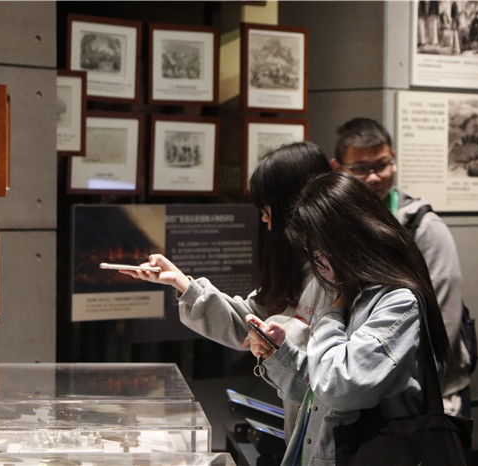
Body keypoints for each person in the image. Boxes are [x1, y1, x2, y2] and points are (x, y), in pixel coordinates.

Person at [121, 141, 334, 441]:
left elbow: (324, 367)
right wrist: (181, 283)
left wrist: (279, 335)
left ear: (291, 204)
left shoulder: (334, 272)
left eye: (267, 207)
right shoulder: (297, 265)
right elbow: (249, 320)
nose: (264, 218)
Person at [246, 172, 450, 465]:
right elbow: (317, 393)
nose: (320, 268)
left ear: (349, 242)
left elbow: (339, 386)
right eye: (313, 257)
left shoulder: (398, 302)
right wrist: (279, 354)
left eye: (321, 255)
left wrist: (329, 315)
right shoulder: (350, 292)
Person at [331, 117, 471, 417]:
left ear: (393, 159)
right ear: (337, 167)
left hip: (422, 394)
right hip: (363, 390)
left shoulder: (423, 227)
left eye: (381, 165)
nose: (373, 177)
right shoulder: (340, 225)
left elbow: (443, 318)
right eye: (360, 168)